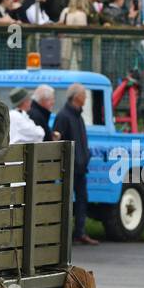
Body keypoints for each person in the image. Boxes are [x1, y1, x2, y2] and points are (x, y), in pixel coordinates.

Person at [52, 83, 97, 245]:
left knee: (82, 200)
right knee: (66, 202)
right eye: (84, 95)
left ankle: (80, 232)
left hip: (80, 168)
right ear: (77, 97)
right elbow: (57, 142)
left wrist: (85, 156)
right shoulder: (63, 116)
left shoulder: (79, 117)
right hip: (69, 169)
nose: (85, 98)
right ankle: (63, 235)